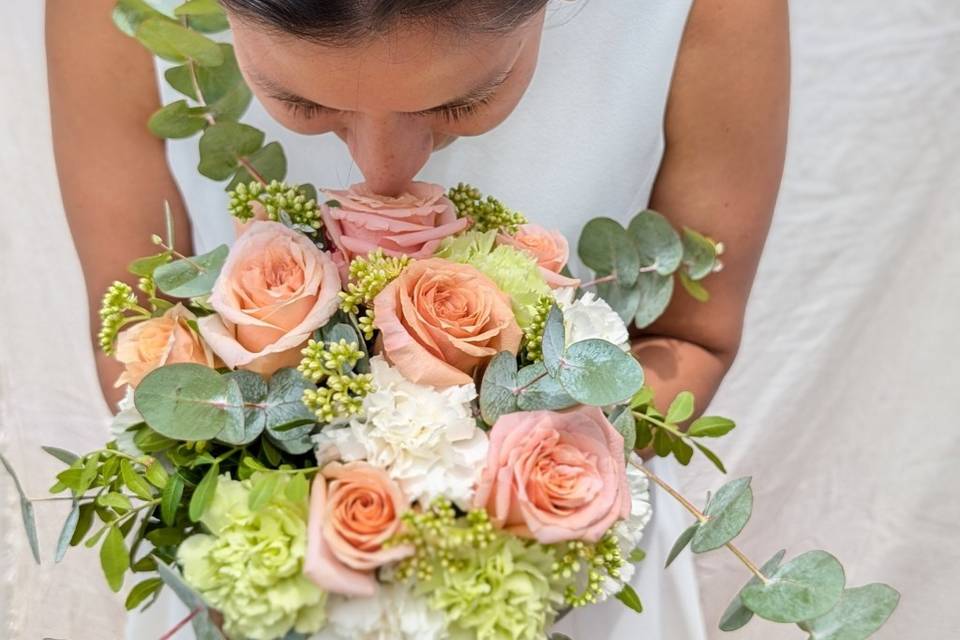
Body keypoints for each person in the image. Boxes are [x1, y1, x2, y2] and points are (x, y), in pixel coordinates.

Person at [46, 0, 789, 637]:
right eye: (301, 103)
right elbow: (141, 347)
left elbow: (694, 334)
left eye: (466, 101)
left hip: (551, 580)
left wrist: (482, 515)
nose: (385, 171)